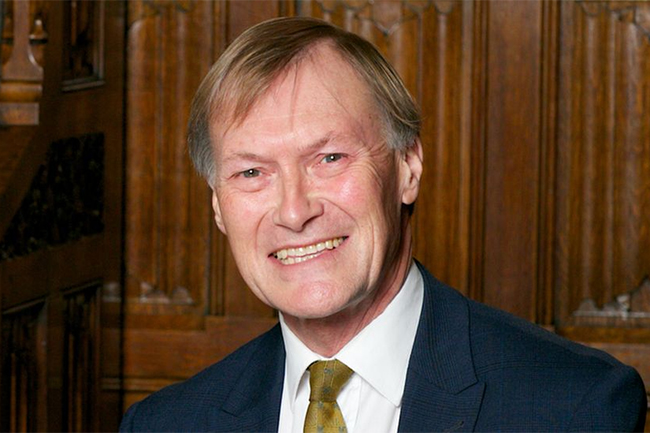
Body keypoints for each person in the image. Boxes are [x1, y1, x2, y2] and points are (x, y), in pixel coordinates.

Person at [120, 17, 646, 432]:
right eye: (252, 172)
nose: (294, 212)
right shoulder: (165, 424)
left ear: (407, 167)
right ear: (218, 206)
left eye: (329, 158)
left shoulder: (573, 407)